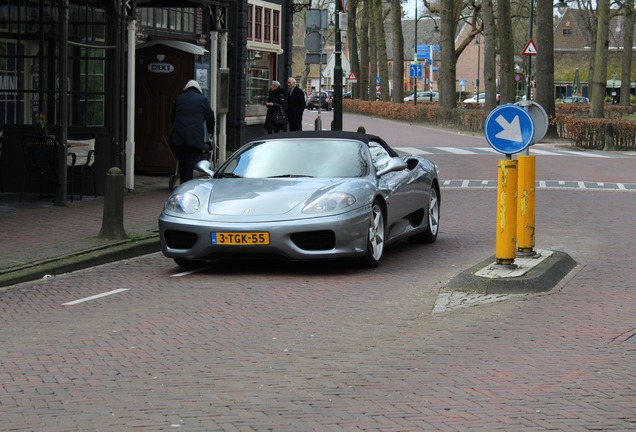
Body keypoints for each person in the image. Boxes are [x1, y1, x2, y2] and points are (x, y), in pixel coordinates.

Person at [170, 80, 215, 185]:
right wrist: (211, 131)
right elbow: (210, 117)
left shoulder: (179, 98)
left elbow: (173, 117)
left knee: (182, 160)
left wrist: (176, 128)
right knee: (190, 161)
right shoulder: (202, 100)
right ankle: (187, 185)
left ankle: (183, 183)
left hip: (179, 136)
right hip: (194, 136)